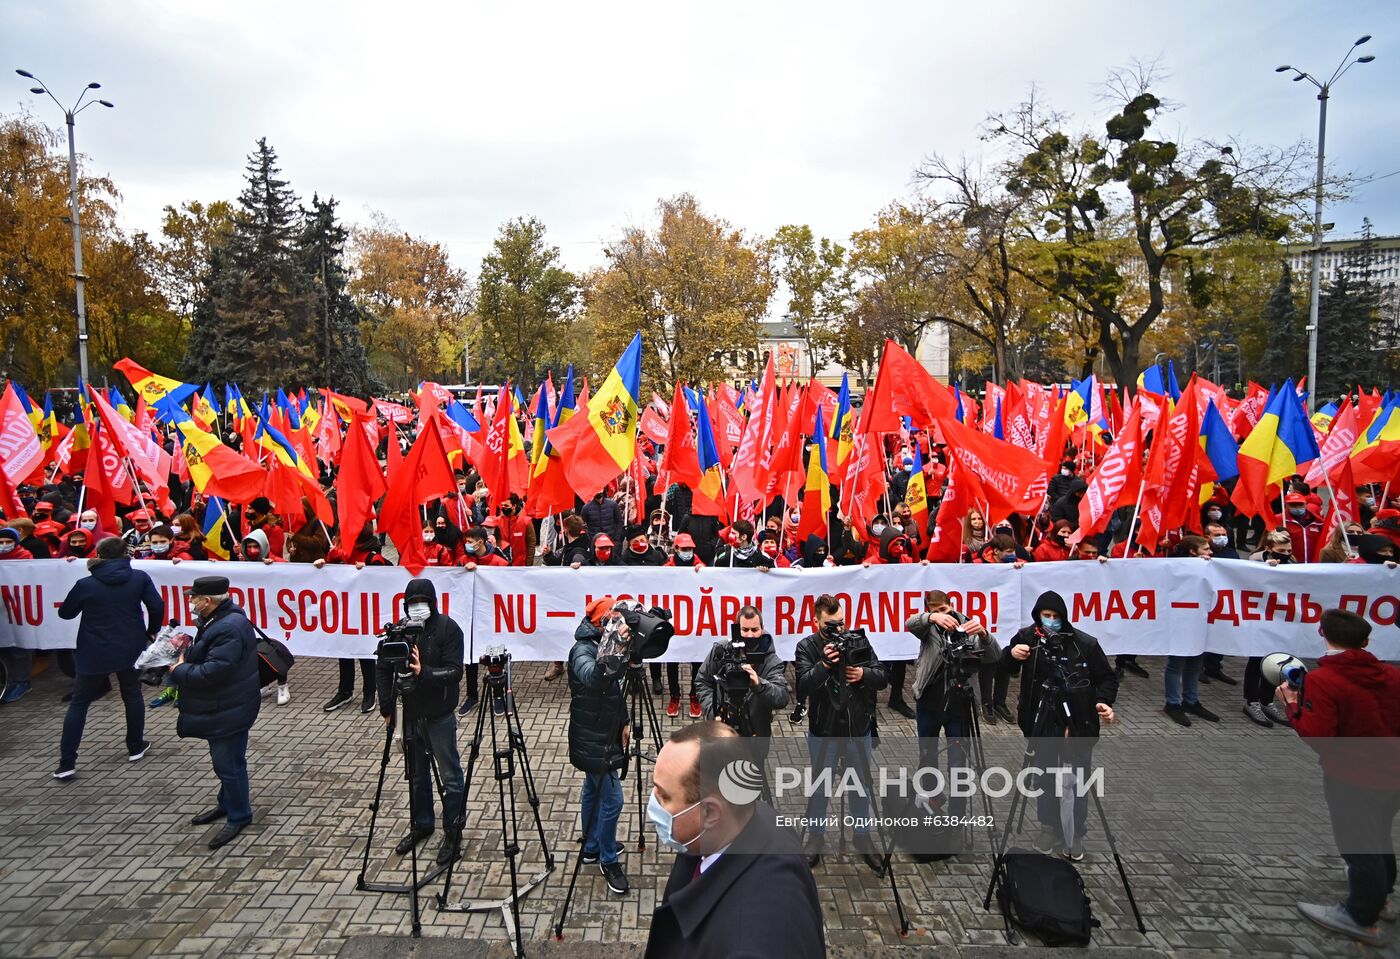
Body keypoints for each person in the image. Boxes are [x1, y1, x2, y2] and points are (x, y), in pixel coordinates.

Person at [643, 721, 825, 959]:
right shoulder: (753, 818)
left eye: (664, 796)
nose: (653, 803)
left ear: (710, 813)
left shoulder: (749, 946)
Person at [1283, 609, 1400, 947]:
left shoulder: (1323, 680)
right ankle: (1382, 897)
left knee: (1359, 845)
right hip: (1392, 772)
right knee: (1378, 836)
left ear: (1322, 633)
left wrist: (1292, 705)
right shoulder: (1391, 676)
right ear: (1365, 642)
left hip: (1352, 775)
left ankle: (1362, 916)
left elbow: (1318, 736)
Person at [1004, 590, 1118, 860]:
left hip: (1076, 723)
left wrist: (1103, 701)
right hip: (1041, 722)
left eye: (1056, 616)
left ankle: (1075, 832)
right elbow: (1004, 667)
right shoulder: (1027, 637)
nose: (1051, 620)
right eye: (1046, 616)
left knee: (1076, 781)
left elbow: (1107, 678)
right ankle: (1049, 826)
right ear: (1038, 616)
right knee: (1044, 777)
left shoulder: (1084, 644)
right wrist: (1011, 654)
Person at [52, 537, 161, 780]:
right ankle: (135, 745)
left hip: (94, 649)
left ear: (98, 554)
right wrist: (151, 631)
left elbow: (66, 613)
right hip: (130, 645)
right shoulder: (139, 578)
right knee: (131, 694)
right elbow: (156, 606)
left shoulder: (86, 584)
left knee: (79, 703)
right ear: (125, 553)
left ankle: (67, 762)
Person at [376, 578, 467, 866]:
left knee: (450, 775)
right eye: (411, 604)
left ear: (432, 603)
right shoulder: (400, 630)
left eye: (422, 603)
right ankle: (422, 823)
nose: (417, 608)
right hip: (410, 712)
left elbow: (454, 672)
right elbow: (382, 665)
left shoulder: (448, 629)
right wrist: (386, 707)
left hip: (439, 714)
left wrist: (423, 671)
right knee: (416, 774)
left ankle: (453, 831)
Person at [795, 593, 888, 871]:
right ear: (816, 622)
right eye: (830, 625)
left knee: (860, 785)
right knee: (820, 786)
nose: (838, 630)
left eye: (842, 623)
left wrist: (863, 675)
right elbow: (803, 685)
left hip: (858, 728)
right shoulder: (807, 647)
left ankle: (862, 836)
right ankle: (815, 836)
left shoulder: (858, 640)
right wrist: (824, 665)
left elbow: (882, 676)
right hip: (824, 730)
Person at [168, 575, 261, 849]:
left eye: (193, 598)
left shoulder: (227, 627)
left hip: (229, 706)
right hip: (225, 704)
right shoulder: (219, 620)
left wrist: (179, 670)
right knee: (226, 762)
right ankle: (227, 803)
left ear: (207, 601)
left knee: (229, 765)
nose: (190, 602)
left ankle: (239, 815)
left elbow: (214, 671)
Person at [904, 590, 993, 841]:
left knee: (958, 766)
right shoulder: (928, 627)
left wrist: (984, 634)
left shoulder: (967, 625)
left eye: (943, 609)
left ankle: (957, 819)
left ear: (951, 605)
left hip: (960, 707)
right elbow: (910, 623)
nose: (942, 614)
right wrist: (931, 618)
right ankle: (930, 807)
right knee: (927, 757)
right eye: (934, 609)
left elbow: (994, 655)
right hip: (929, 702)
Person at [568, 596, 630, 895]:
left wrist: (626, 720)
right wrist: (615, 646)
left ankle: (592, 846)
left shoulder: (604, 643)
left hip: (605, 730)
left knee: (593, 790)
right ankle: (607, 858)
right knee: (613, 800)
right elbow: (595, 677)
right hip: (592, 737)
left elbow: (615, 688)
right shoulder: (581, 650)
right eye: (612, 618)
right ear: (599, 622)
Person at [694, 605, 789, 760]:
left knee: (751, 780)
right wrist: (715, 712)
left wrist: (758, 684)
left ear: (762, 629)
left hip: (755, 738)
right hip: (720, 735)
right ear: (737, 629)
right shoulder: (722, 651)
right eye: (745, 630)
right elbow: (702, 681)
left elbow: (782, 697)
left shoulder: (772, 661)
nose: (750, 635)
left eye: (755, 630)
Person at [1161, 536, 1220, 727]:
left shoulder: (1213, 566)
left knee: (1195, 663)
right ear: (1193, 552)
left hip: (1200, 622)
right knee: (1176, 664)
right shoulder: (1174, 566)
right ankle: (1172, 703)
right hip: (1179, 622)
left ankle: (1191, 701)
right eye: (1205, 549)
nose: (1210, 552)